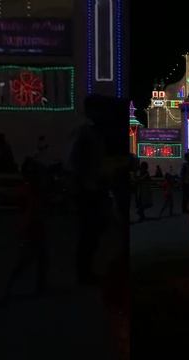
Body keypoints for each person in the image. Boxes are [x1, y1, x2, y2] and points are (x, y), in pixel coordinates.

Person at [67, 95, 111, 285]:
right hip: (87, 190)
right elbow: (74, 162)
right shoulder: (84, 133)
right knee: (88, 232)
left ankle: (86, 271)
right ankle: (83, 273)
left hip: (94, 188)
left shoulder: (95, 132)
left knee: (94, 232)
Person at [5, 157, 49, 298]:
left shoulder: (30, 188)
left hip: (33, 224)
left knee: (39, 256)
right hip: (30, 225)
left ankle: (39, 285)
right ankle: (10, 284)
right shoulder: (30, 189)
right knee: (29, 257)